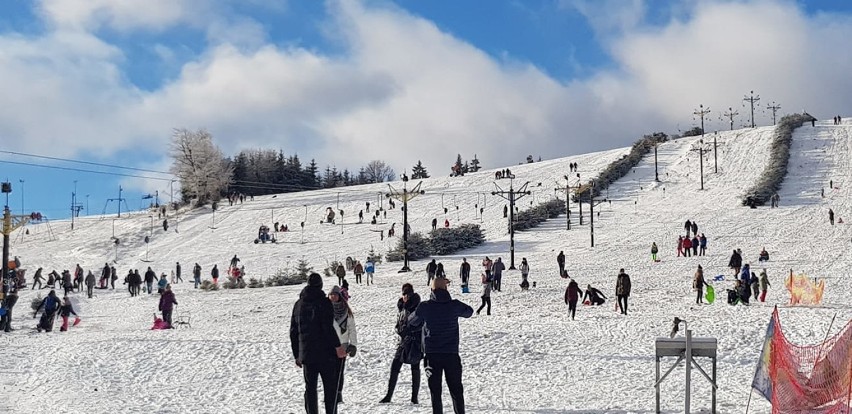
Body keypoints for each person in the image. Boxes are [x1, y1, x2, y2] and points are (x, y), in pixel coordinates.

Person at [408, 277, 473, 414]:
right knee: (456, 391)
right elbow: (469, 312)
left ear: (432, 289)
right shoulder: (454, 305)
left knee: (435, 393)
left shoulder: (425, 306)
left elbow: (412, 321)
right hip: (451, 354)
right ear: (446, 289)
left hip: (432, 355)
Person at [290, 273, 347, 414]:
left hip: (307, 354)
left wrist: (297, 354)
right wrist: (338, 346)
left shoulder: (298, 304)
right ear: (320, 285)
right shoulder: (324, 302)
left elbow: (293, 331)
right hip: (325, 353)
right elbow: (327, 328)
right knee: (330, 388)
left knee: (310, 389)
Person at [379, 284, 422, 404]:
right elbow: (400, 322)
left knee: (415, 367)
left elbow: (421, 324)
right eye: (404, 294)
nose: (405, 296)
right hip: (403, 341)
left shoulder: (416, 307)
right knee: (395, 366)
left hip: (414, 341)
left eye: (407, 294)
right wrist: (399, 329)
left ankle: (414, 397)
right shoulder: (402, 307)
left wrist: (409, 330)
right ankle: (389, 395)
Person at [329, 286, 358, 404]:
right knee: (330, 371)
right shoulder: (326, 310)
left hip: (343, 345)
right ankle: (330, 393)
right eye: (331, 295)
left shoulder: (346, 311)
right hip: (329, 345)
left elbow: (352, 328)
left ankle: (338, 393)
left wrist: (353, 344)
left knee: (339, 371)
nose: (333, 297)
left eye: (335, 295)